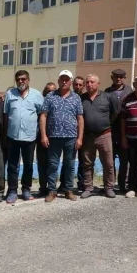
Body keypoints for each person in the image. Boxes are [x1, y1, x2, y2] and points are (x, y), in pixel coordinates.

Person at [40, 70, 83, 202]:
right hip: (54, 137)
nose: (64, 82)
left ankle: (68, 190)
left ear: (70, 81)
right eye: (62, 79)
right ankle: (52, 191)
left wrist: (80, 138)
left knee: (70, 165)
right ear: (58, 81)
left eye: (67, 80)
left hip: (71, 137)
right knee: (53, 165)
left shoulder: (76, 98)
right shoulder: (50, 96)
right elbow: (43, 116)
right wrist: (43, 135)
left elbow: (80, 118)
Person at [4, 70, 44, 203]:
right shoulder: (10, 94)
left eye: (23, 79)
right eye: (18, 79)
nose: (21, 81)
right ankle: (12, 191)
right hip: (13, 136)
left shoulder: (37, 95)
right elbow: (6, 114)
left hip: (30, 137)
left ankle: (26, 189)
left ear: (28, 80)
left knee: (28, 165)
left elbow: (41, 114)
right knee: (12, 165)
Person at [80, 74, 119, 199]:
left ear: (98, 83)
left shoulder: (107, 97)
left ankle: (109, 188)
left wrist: (106, 124)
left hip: (104, 135)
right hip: (88, 136)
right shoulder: (82, 98)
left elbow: (115, 113)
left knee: (108, 163)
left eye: (92, 82)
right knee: (87, 163)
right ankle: (88, 188)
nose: (89, 84)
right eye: (87, 82)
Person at [105, 68, 133, 192]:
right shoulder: (107, 92)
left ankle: (122, 184)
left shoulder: (129, 90)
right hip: (111, 130)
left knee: (124, 159)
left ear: (124, 78)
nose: (118, 79)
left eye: (121, 77)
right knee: (109, 160)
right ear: (112, 77)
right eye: (116, 76)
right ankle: (110, 184)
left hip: (125, 131)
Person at [36, 82, 56, 197]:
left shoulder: (58, 102)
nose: (50, 93)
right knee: (42, 163)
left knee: (53, 163)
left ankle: (52, 188)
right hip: (41, 137)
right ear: (44, 92)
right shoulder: (40, 103)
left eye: (53, 91)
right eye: (48, 91)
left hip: (54, 137)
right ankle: (43, 187)